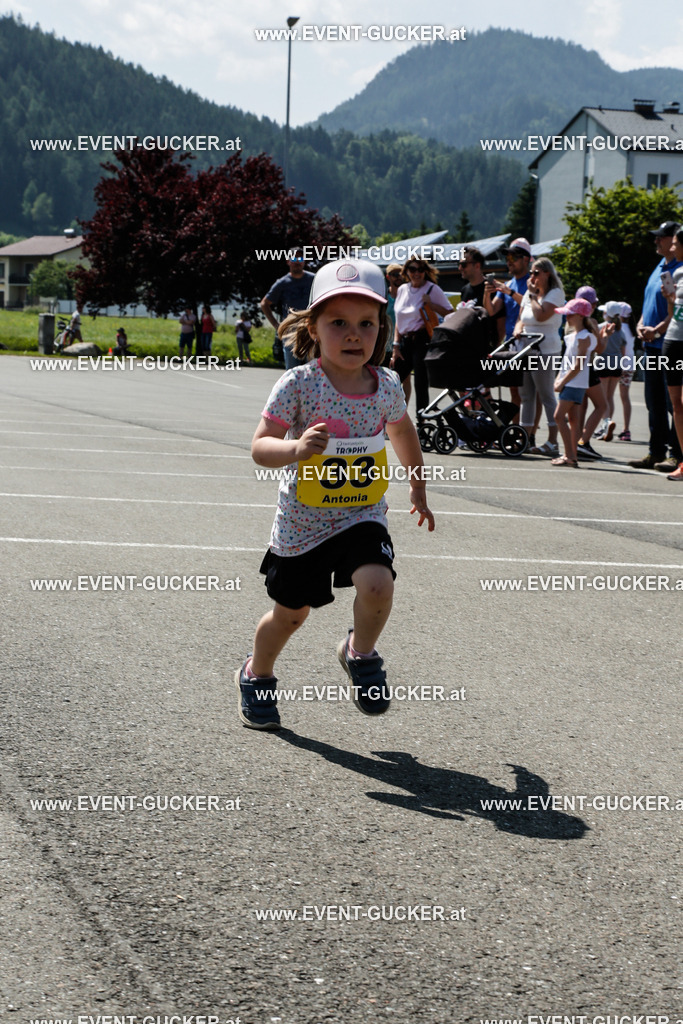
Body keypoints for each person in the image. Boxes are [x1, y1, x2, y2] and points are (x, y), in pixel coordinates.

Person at [236, 258, 435, 730]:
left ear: (381, 329)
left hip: (360, 514)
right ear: (314, 327)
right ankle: (256, 674)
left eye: (366, 324)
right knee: (291, 614)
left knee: (377, 583)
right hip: (302, 523)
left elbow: (403, 432)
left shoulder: (386, 385)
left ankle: (359, 653)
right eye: (339, 323)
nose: (353, 334)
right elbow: (259, 448)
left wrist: (418, 482)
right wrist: (295, 448)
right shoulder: (298, 384)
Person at [629, 221, 683, 472]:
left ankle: (676, 454)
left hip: (669, 343)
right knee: (654, 402)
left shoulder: (681, 269)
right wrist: (641, 324)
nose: (657, 241)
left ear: (675, 240)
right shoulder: (659, 267)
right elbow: (648, 302)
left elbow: (677, 312)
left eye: (662, 238)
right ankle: (656, 451)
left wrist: (657, 330)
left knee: (675, 403)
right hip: (651, 345)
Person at [513, 257, 565, 457]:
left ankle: (553, 440)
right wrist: (518, 330)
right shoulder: (529, 294)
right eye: (531, 273)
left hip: (545, 349)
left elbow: (542, 315)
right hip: (525, 348)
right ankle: (524, 438)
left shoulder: (555, 293)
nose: (532, 276)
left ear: (547, 274)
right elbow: (521, 319)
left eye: (536, 273)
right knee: (526, 395)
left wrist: (534, 296)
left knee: (546, 395)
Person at [391, 258, 452, 418]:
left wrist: (431, 305)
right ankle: (389, 418)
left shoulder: (432, 289)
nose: (416, 273)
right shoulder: (403, 289)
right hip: (405, 340)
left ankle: (422, 422)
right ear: (406, 272)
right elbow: (399, 319)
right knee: (392, 379)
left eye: (420, 269)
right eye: (412, 269)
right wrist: (396, 345)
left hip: (422, 338)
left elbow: (450, 312)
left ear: (425, 271)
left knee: (420, 382)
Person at [551, 298, 598, 467]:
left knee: (558, 416)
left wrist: (562, 382)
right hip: (570, 382)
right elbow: (566, 363)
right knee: (573, 419)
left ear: (579, 316)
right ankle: (572, 456)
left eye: (570, 315)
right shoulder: (571, 336)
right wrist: (558, 379)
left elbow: (578, 365)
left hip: (574, 383)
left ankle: (569, 455)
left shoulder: (585, 336)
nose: (567, 318)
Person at [260, 252, 315, 370]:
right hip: (291, 333)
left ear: (304, 261)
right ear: (288, 261)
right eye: (294, 258)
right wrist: (277, 326)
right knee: (292, 370)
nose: (297, 261)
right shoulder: (282, 283)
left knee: (313, 369)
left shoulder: (313, 279)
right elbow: (264, 303)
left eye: (300, 258)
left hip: (311, 329)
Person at [661, 225, 683, 480]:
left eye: (676, 243)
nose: (673, 247)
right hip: (673, 341)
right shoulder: (676, 273)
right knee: (676, 405)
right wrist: (669, 297)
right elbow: (675, 310)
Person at [594, 301, 626, 442]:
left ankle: (605, 425)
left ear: (606, 313)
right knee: (610, 397)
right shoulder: (620, 330)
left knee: (602, 398)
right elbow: (623, 350)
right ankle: (608, 422)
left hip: (603, 364)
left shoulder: (601, 327)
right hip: (617, 365)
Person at [616, 302, 635, 440]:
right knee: (625, 397)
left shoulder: (618, 328)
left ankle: (605, 425)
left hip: (617, 364)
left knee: (607, 396)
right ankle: (626, 429)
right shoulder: (633, 329)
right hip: (629, 365)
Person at [383, 264, 404, 369]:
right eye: (395, 274)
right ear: (388, 277)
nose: (399, 277)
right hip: (385, 345)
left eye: (401, 274)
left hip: (402, 344)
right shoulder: (383, 296)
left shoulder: (407, 295)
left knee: (405, 377)